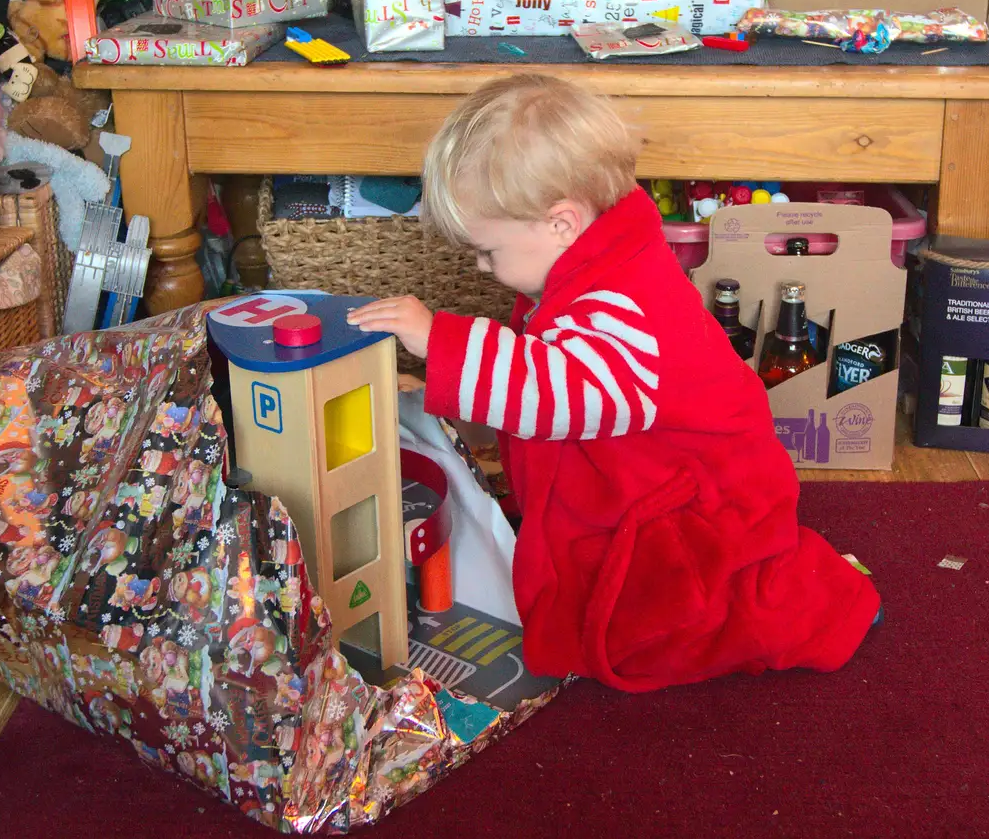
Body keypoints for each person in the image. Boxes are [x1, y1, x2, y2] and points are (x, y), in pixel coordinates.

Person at [348, 74, 879, 692]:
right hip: (648, 470)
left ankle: (829, 606)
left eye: (488, 251)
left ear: (562, 224)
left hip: (698, 501)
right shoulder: (598, 263)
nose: (481, 267)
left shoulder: (625, 304)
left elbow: (560, 393)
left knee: (705, 615)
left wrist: (441, 340)